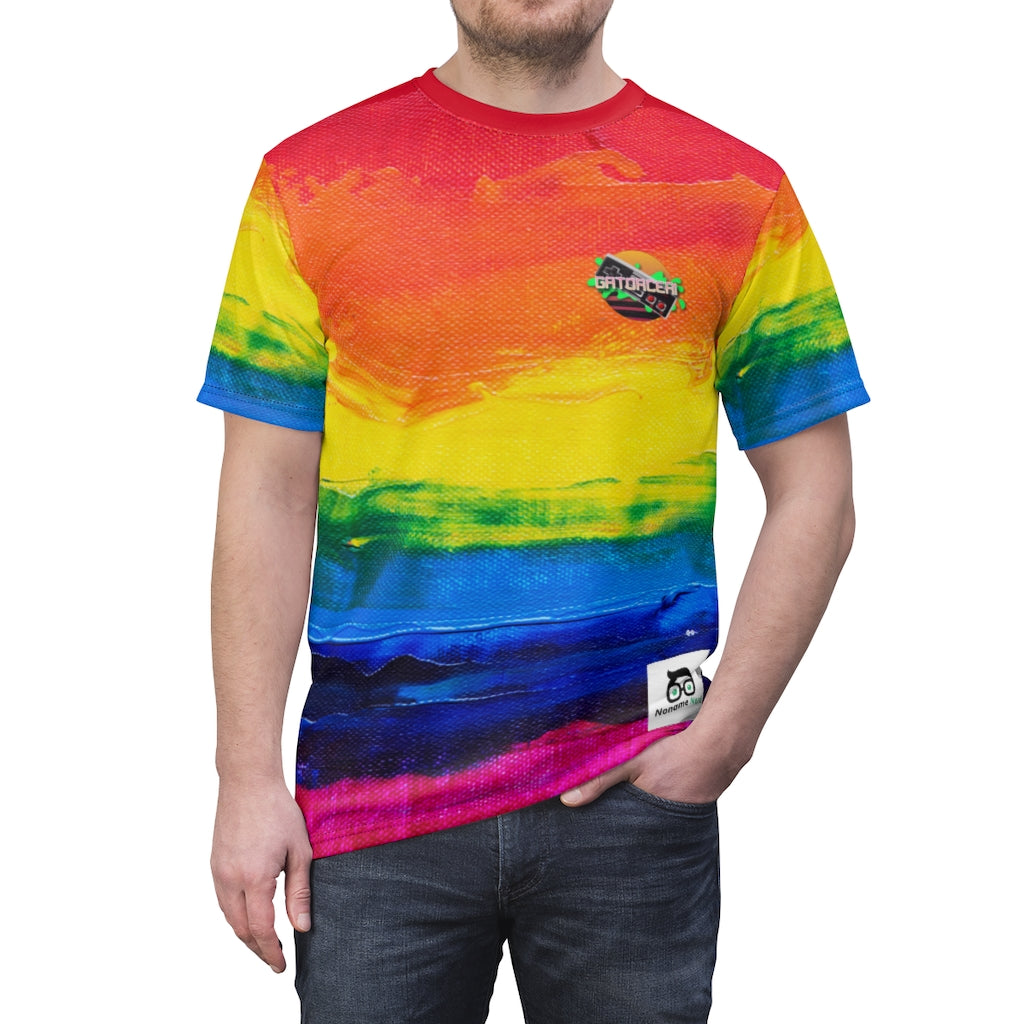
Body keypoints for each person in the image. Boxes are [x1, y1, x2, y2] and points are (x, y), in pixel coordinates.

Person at [199, 2, 869, 1021]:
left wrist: (727, 731)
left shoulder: (735, 194)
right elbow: (267, 490)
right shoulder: (311, 184)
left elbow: (817, 486)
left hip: (633, 798)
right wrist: (244, 773)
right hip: (376, 807)